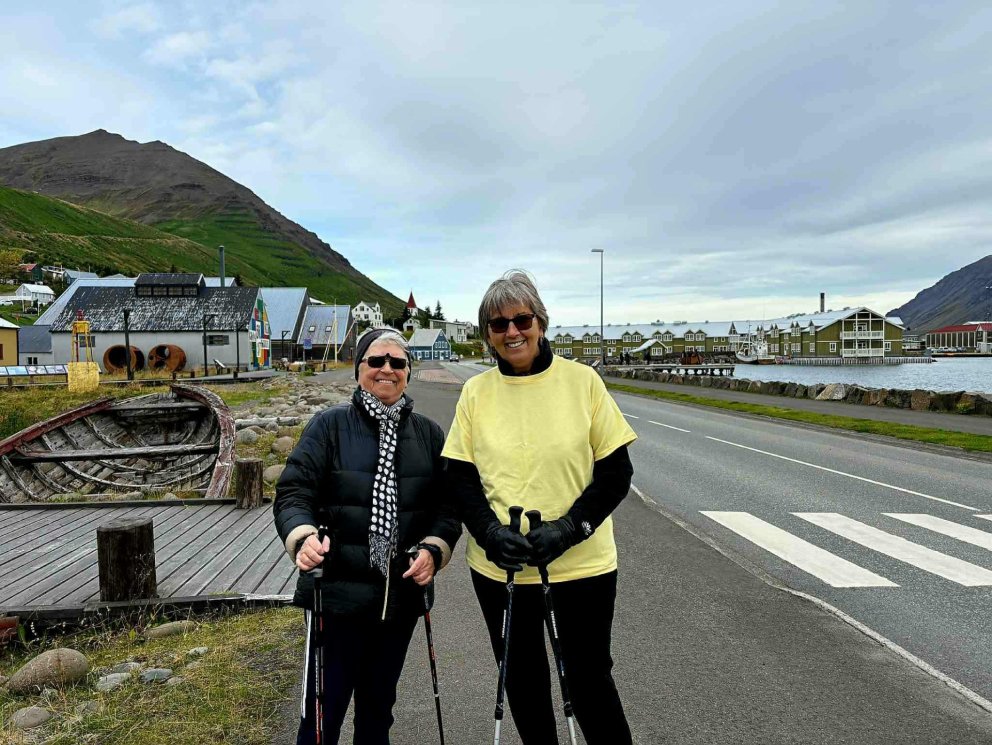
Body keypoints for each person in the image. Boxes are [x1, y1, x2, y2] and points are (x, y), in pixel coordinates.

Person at [443, 270, 637, 744]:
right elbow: (460, 476)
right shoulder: (476, 392)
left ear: (541, 321)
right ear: (487, 334)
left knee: (589, 683)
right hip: (500, 571)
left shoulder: (583, 382)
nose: (512, 332)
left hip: (581, 568)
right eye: (498, 324)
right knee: (524, 686)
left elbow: (616, 473)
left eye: (522, 319)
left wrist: (570, 528)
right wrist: (489, 534)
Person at [274, 328, 460, 745]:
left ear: (408, 373)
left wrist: (434, 548)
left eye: (397, 362)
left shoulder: (429, 435)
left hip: (400, 600)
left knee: (378, 713)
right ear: (359, 369)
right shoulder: (328, 426)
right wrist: (302, 537)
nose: (387, 369)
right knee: (322, 715)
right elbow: (293, 492)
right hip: (335, 597)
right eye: (377, 361)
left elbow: (447, 509)